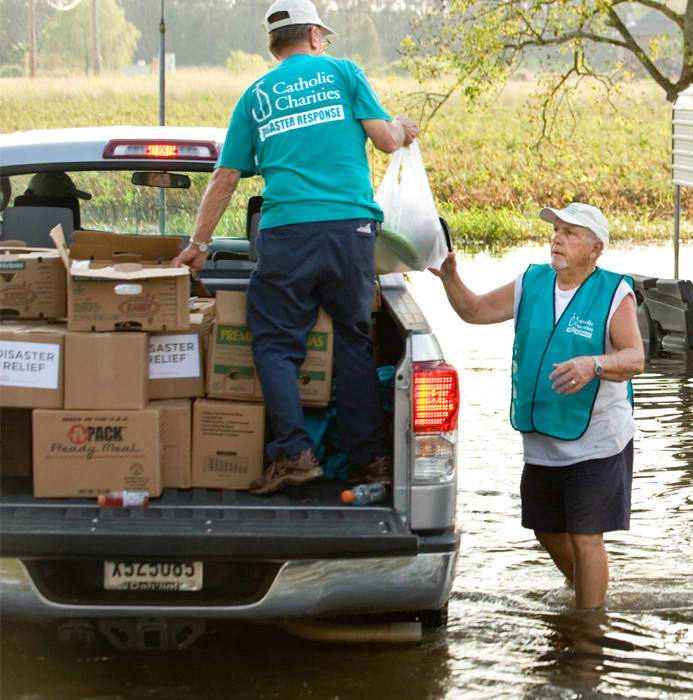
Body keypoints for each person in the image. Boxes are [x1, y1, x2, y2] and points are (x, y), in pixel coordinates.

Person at [173, 0, 418, 495]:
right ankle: (370, 461)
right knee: (353, 341)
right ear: (312, 38)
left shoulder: (254, 97)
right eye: (321, 38)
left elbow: (225, 178)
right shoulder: (345, 73)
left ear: (274, 45)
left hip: (288, 234)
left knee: (276, 344)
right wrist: (404, 127)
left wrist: (199, 244)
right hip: (350, 230)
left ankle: (292, 454)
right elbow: (387, 141)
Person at [431, 202, 644, 609]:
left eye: (571, 233)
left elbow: (634, 358)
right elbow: (473, 311)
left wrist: (593, 364)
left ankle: (589, 627)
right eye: (557, 230)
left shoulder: (615, 291)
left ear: (596, 248)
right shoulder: (530, 282)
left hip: (598, 438)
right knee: (546, 531)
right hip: (543, 437)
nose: (557, 238)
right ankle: (593, 593)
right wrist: (449, 277)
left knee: (585, 535)